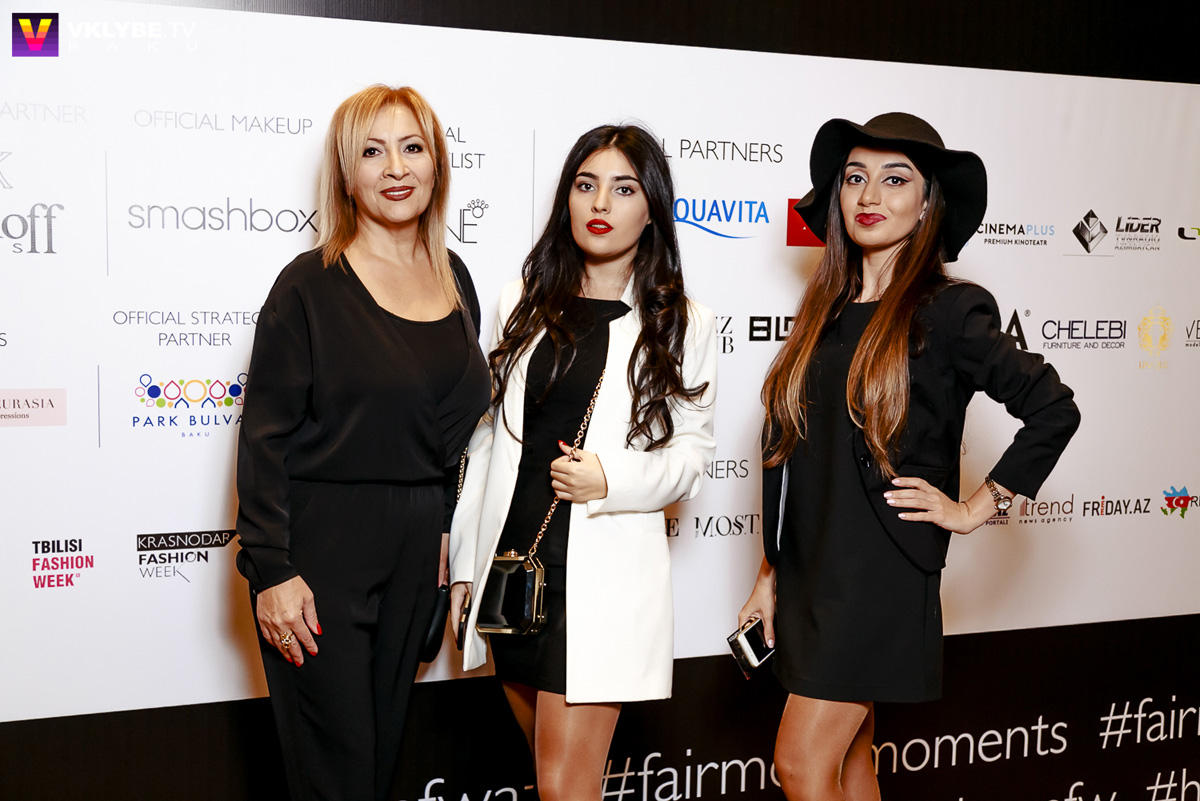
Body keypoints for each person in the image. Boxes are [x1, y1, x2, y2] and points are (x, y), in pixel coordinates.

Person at [738, 113, 1080, 801]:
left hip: (881, 572)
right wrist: (770, 572)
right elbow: (793, 457)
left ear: (927, 203)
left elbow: (1054, 408)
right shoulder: (822, 312)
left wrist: (975, 507)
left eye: (895, 180)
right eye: (855, 177)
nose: (870, 195)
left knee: (801, 764)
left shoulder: (949, 310)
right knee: (851, 762)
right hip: (812, 571)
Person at [234, 85, 490, 801]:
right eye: (372, 152)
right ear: (347, 172)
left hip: (417, 555)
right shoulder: (308, 286)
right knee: (336, 775)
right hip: (322, 555)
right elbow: (263, 438)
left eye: (412, 147)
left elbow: (455, 434)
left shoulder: (455, 278)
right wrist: (272, 570)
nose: (396, 168)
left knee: (379, 770)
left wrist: (445, 527)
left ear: (437, 164)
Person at [449, 124, 717, 800]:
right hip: (515, 566)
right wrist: (465, 567)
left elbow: (692, 456)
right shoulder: (521, 300)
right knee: (558, 783)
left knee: (564, 785)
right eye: (585, 184)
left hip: (600, 577)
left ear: (651, 209)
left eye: (624, 189)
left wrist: (610, 478)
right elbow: (487, 440)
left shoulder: (683, 321)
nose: (600, 202)